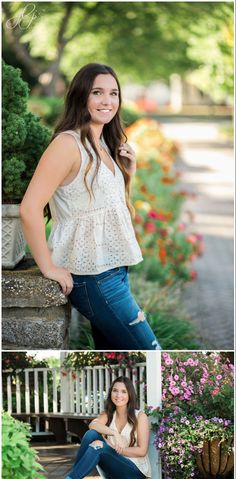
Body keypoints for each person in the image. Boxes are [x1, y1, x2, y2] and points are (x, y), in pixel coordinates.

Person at [20, 62, 161, 350]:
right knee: (150, 352)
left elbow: (110, 209)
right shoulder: (67, 145)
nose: (107, 101)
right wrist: (48, 267)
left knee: (113, 353)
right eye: (98, 92)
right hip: (93, 278)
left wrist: (127, 176)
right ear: (82, 96)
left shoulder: (104, 143)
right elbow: (29, 208)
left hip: (115, 270)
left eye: (114, 93)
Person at [35, 376, 151, 479]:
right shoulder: (109, 414)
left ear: (130, 394)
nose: (118, 395)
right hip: (112, 476)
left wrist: (114, 448)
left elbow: (142, 451)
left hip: (133, 476)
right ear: (111, 392)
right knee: (91, 435)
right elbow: (93, 425)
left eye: (123, 391)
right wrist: (114, 434)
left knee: (99, 446)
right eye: (115, 390)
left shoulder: (140, 416)